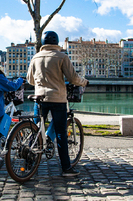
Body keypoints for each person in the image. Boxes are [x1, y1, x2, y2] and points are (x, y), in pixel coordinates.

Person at [27, 31, 89, 177]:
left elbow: (30, 79)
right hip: (57, 99)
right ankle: (66, 168)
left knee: (36, 130)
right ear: (56, 42)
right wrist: (84, 82)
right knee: (61, 133)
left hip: (39, 98)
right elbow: (73, 78)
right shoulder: (62, 57)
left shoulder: (35, 57)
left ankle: (29, 162)